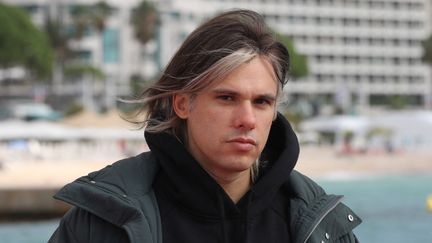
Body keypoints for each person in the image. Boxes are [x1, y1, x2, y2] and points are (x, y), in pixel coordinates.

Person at [49, 9, 361, 243]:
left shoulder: (320, 223)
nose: (247, 119)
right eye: (227, 98)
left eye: (262, 102)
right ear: (182, 103)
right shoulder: (105, 221)